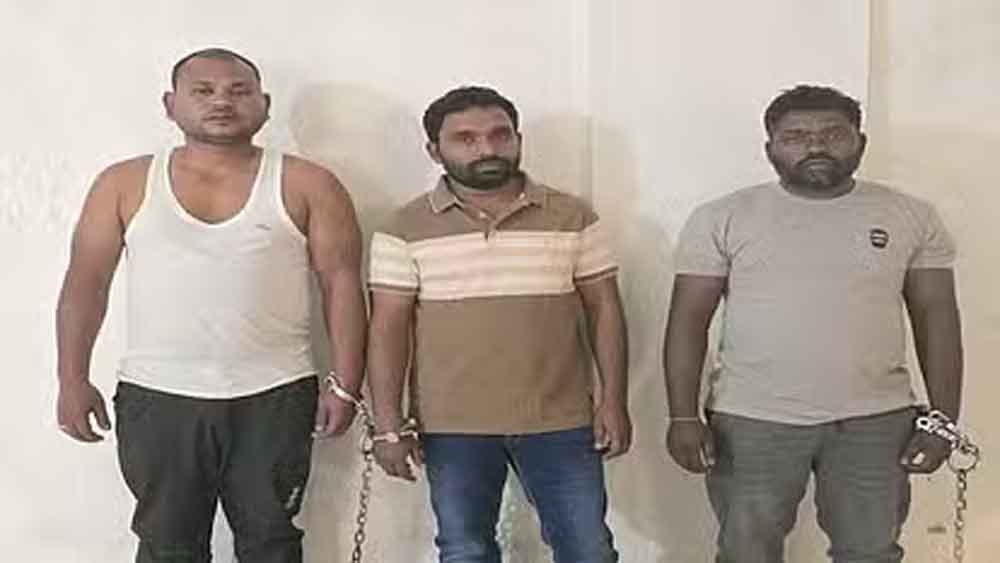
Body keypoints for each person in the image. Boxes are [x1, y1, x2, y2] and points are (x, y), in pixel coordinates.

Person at [54, 47, 366, 562]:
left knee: (271, 543)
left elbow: (342, 283)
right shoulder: (123, 183)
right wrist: (71, 379)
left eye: (239, 91)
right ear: (170, 104)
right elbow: (86, 283)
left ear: (265, 105)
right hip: (158, 394)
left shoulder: (309, 183)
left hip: (275, 394)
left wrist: (345, 384)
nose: (222, 101)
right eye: (203, 91)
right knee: (167, 545)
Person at [663, 84, 964, 563]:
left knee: (870, 552)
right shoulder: (723, 217)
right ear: (770, 149)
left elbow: (937, 318)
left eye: (833, 134)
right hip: (752, 421)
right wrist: (682, 416)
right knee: (746, 553)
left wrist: (943, 420)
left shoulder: (909, 216)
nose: (816, 146)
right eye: (796, 137)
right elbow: (687, 321)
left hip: (875, 421)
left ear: (861, 143)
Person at [366, 85, 630, 563]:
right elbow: (388, 330)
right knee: (465, 549)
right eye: (465, 139)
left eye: (499, 135)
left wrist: (613, 400)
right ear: (434, 150)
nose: (486, 148)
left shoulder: (571, 216)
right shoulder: (403, 228)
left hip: (561, 419)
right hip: (452, 425)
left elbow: (605, 310)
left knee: (588, 548)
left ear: (518, 140)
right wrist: (388, 424)